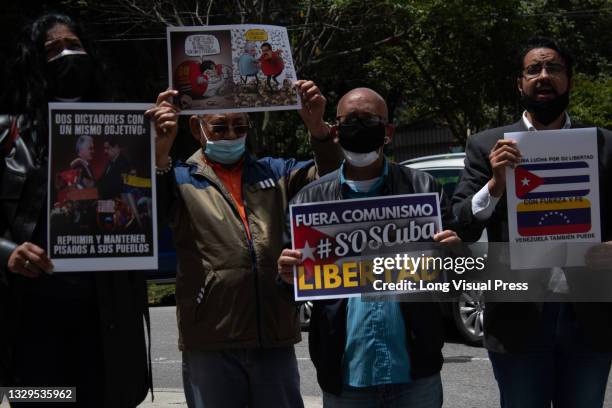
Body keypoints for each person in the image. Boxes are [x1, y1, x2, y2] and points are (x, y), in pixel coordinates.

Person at [147, 80, 342, 408]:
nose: (231, 135)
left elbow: (331, 183)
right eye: (220, 127)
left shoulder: (275, 172)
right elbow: (144, 208)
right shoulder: (179, 178)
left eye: (240, 126)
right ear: (197, 129)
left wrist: (317, 129)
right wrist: (159, 153)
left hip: (274, 334)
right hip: (210, 339)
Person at [0, 13, 152, 407]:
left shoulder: (126, 129)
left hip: (105, 323)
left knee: (104, 399)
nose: (66, 54)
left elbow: (156, 211)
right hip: (30, 323)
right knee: (37, 402)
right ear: (32, 61)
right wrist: (7, 252)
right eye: (51, 49)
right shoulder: (8, 132)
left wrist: (162, 153)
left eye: (73, 45)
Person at [451, 37, 612, 407]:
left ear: (569, 80)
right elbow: (463, 222)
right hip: (518, 321)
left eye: (553, 68)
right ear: (519, 83)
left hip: (590, 319)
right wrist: (494, 184)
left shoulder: (604, 145)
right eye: (533, 69)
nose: (543, 76)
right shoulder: (486, 145)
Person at [277, 87, 460, 408]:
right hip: (345, 378)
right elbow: (288, 290)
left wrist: (456, 256)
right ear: (335, 130)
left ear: (387, 131)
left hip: (416, 375)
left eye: (367, 119)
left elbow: (454, 282)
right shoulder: (310, 198)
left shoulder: (423, 189)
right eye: (349, 120)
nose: (358, 126)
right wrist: (286, 277)